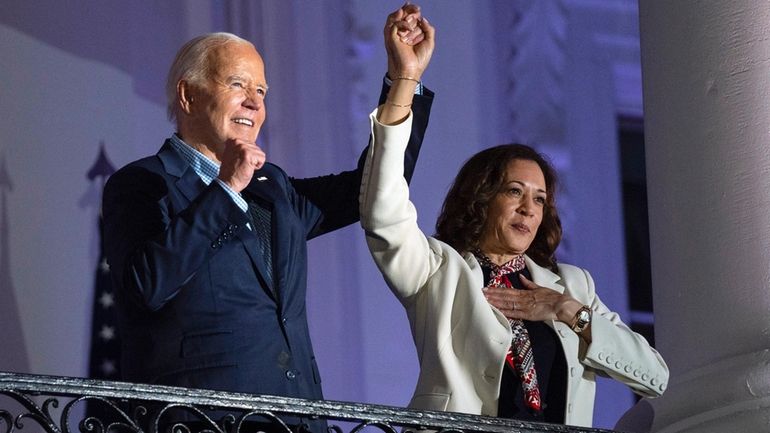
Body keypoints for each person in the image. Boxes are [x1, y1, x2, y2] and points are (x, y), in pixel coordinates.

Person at [102, 5, 433, 431]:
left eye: (262, 91)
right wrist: (225, 190)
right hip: (204, 422)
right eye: (237, 84)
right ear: (188, 95)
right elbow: (147, 285)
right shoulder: (143, 184)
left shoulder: (272, 187)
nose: (254, 103)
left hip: (298, 418)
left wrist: (404, 80)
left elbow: (372, 187)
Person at [361, 54, 668, 427]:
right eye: (514, 192)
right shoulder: (439, 270)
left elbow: (656, 377)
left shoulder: (572, 286)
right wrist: (406, 80)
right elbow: (384, 211)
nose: (529, 209)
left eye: (539, 198)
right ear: (482, 198)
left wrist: (568, 311)